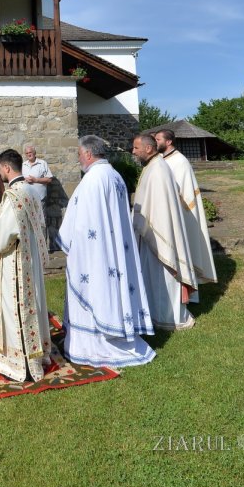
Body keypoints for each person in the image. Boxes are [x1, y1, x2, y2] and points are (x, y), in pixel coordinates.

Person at [56, 135, 155, 367]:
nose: (79, 159)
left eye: (80, 154)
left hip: (95, 254)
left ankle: (93, 344)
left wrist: (72, 246)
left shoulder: (92, 180)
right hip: (114, 249)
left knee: (98, 290)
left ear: (89, 154)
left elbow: (82, 223)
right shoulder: (115, 175)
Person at [0, 149, 52, 382]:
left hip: (15, 263)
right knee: (34, 304)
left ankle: (20, 358)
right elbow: (34, 223)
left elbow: (4, 236)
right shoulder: (32, 191)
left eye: (0, 168)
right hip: (30, 257)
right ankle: (38, 352)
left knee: (16, 307)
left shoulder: (13, 195)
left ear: (5, 168)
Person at [132, 134, 197, 331]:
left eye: (136, 148)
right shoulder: (153, 167)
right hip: (152, 235)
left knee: (163, 278)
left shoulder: (158, 170)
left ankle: (168, 317)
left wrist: (143, 225)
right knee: (153, 279)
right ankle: (154, 314)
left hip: (160, 236)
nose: (133, 152)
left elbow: (159, 210)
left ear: (148, 149)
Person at [154, 128, 218, 290]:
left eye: (158, 140)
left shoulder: (180, 162)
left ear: (168, 142)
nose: (155, 143)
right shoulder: (162, 159)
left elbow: (185, 194)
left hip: (179, 213)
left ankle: (186, 288)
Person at [22, 145, 55, 249]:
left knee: (41, 222)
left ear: (34, 153)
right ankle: (31, 248)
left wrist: (36, 180)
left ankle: (42, 248)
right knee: (28, 222)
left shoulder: (42, 163)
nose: (29, 154)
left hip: (40, 199)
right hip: (27, 199)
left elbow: (49, 179)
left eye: (30, 152)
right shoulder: (23, 165)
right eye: (27, 153)